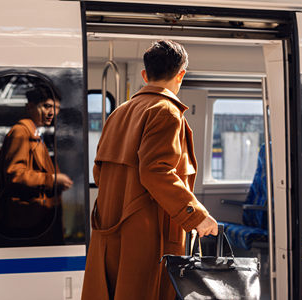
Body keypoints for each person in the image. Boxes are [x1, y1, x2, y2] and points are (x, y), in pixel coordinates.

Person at [82, 40, 218, 300]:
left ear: (145, 75)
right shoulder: (166, 111)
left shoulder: (119, 113)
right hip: (148, 240)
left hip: (112, 234)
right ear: (181, 75)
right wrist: (197, 216)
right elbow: (156, 171)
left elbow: (99, 174)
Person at [0, 84, 73, 246]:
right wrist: (53, 179)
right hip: (27, 223)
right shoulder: (21, 132)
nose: (52, 113)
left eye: (56, 108)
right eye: (47, 106)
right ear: (30, 107)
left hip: (33, 220)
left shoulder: (34, 133)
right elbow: (15, 174)